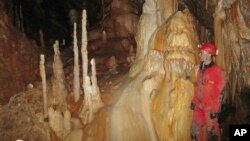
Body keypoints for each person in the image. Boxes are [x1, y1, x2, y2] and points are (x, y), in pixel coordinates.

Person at [190, 43, 226, 141]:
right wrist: (194, 100)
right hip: (199, 106)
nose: (200, 54)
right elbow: (198, 87)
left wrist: (216, 110)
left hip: (210, 107)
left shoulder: (218, 71)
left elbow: (220, 93)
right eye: (201, 52)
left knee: (213, 132)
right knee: (195, 130)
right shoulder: (200, 71)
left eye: (203, 52)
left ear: (209, 54)